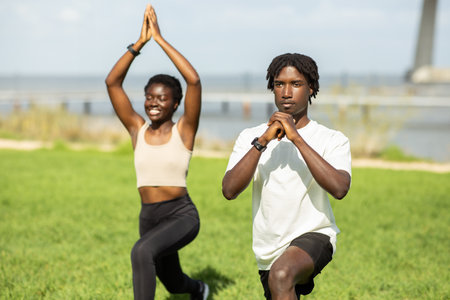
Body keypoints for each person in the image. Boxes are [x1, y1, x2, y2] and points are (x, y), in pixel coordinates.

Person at [222, 53, 352, 300]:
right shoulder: (251, 136)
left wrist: (296, 138)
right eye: (279, 84)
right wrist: (263, 141)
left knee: (282, 275)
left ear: (311, 87)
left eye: (296, 84)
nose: (286, 92)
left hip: (315, 235)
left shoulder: (332, 139)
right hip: (267, 248)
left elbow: (339, 188)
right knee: (279, 281)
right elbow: (229, 190)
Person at [105, 4, 208, 300]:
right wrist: (139, 44)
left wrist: (160, 40)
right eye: (149, 97)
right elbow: (112, 82)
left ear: (175, 104)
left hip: (181, 214)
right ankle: (198, 289)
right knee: (174, 283)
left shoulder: (184, 130)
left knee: (142, 251)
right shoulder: (137, 129)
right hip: (148, 216)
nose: (153, 103)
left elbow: (194, 81)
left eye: (162, 98)